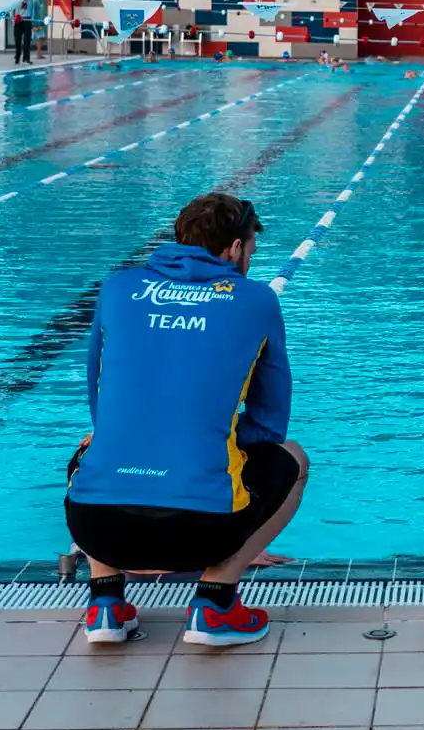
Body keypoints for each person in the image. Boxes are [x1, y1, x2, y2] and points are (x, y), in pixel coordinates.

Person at [64, 193, 308, 648]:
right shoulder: (255, 300)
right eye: (251, 252)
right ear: (234, 248)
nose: (250, 262)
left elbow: (98, 396)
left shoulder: (118, 287)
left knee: (94, 443)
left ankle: (105, 604)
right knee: (293, 458)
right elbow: (270, 423)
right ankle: (215, 604)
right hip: (201, 534)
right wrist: (209, 438)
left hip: (96, 527)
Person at [11, 0, 39, 65]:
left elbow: (33, 11)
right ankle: (17, 56)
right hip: (18, 21)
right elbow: (11, 9)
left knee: (27, 41)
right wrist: (13, 19)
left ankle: (26, 58)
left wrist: (32, 22)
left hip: (27, 20)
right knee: (17, 41)